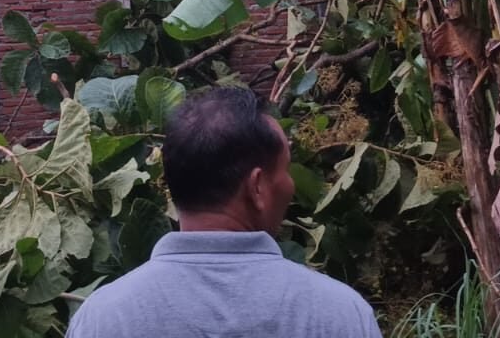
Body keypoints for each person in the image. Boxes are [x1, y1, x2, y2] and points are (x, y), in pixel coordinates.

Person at [67, 86, 381, 338]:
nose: (289, 184)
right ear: (257, 187)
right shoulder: (339, 314)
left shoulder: (101, 319)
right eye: (286, 170)